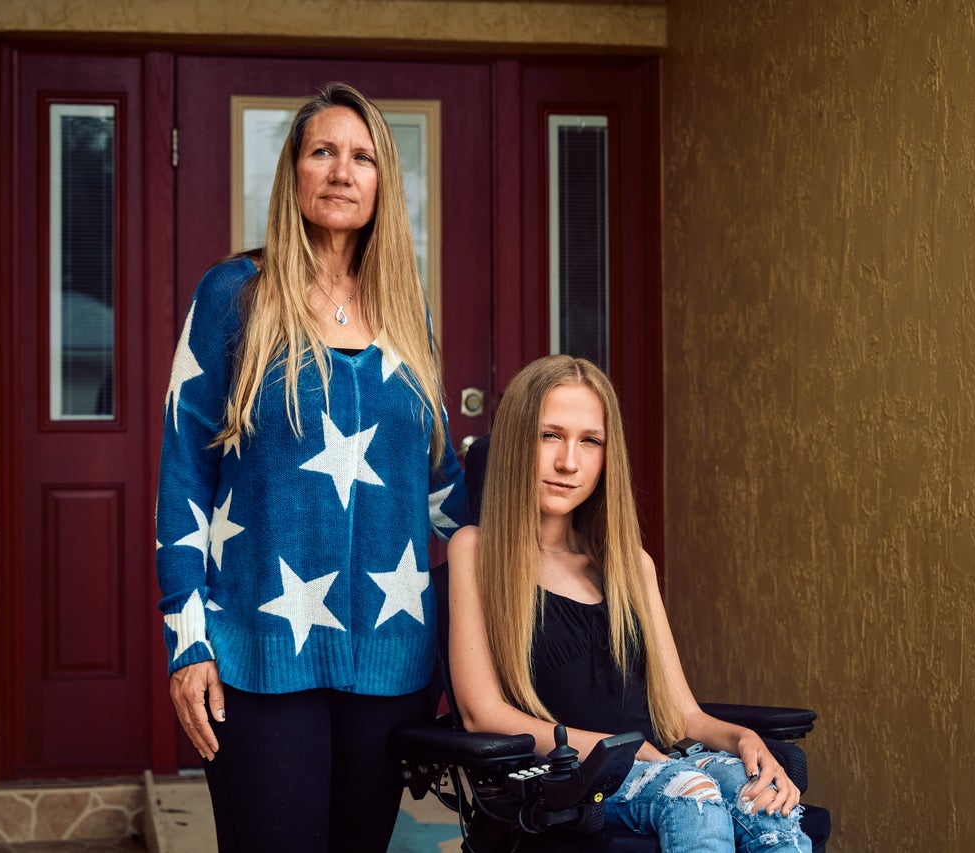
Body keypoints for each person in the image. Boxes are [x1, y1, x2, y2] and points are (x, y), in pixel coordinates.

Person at [156, 82, 469, 853]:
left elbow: (440, 487)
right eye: (323, 151)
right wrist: (187, 640)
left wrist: (544, 537)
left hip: (391, 664)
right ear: (293, 172)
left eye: (362, 157)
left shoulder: (406, 311)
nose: (341, 170)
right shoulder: (234, 295)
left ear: (382, 183)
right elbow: (183, 476)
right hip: (259, 659)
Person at [447, 355, 811, 853]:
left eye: (589, 441)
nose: (568, 462)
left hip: (663, 764)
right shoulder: (474, 550)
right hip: (569, 779)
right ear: (515, 442)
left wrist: (746, 740)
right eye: (549, 435)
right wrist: (614, 748)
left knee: (769, 804)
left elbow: (682, 716)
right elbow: (480, 713)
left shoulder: (630, 565)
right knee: (694, 795)